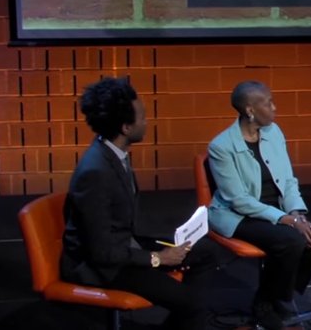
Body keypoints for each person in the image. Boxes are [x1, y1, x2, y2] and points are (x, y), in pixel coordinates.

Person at [61, 77, 223, 330]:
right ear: (126, 127)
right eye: (143, 118)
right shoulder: (95, 173)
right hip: (101, 266)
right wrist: (157, 258)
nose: (147, 122)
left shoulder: (113, 153)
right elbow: (102, 253)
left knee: (206, 254)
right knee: (193, 304)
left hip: (124, 246)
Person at [207, 81, 311, 330]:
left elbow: (288, 180)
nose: (274, 108)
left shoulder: (274, 132)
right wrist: (288, 221)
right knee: (291, 241)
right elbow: (238, 200)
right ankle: (265, 304)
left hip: (276, 207)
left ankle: (276, 296)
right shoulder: (221, 147)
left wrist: (296, 213)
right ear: (250, 110)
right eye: (268, 103)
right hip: (238, 214)